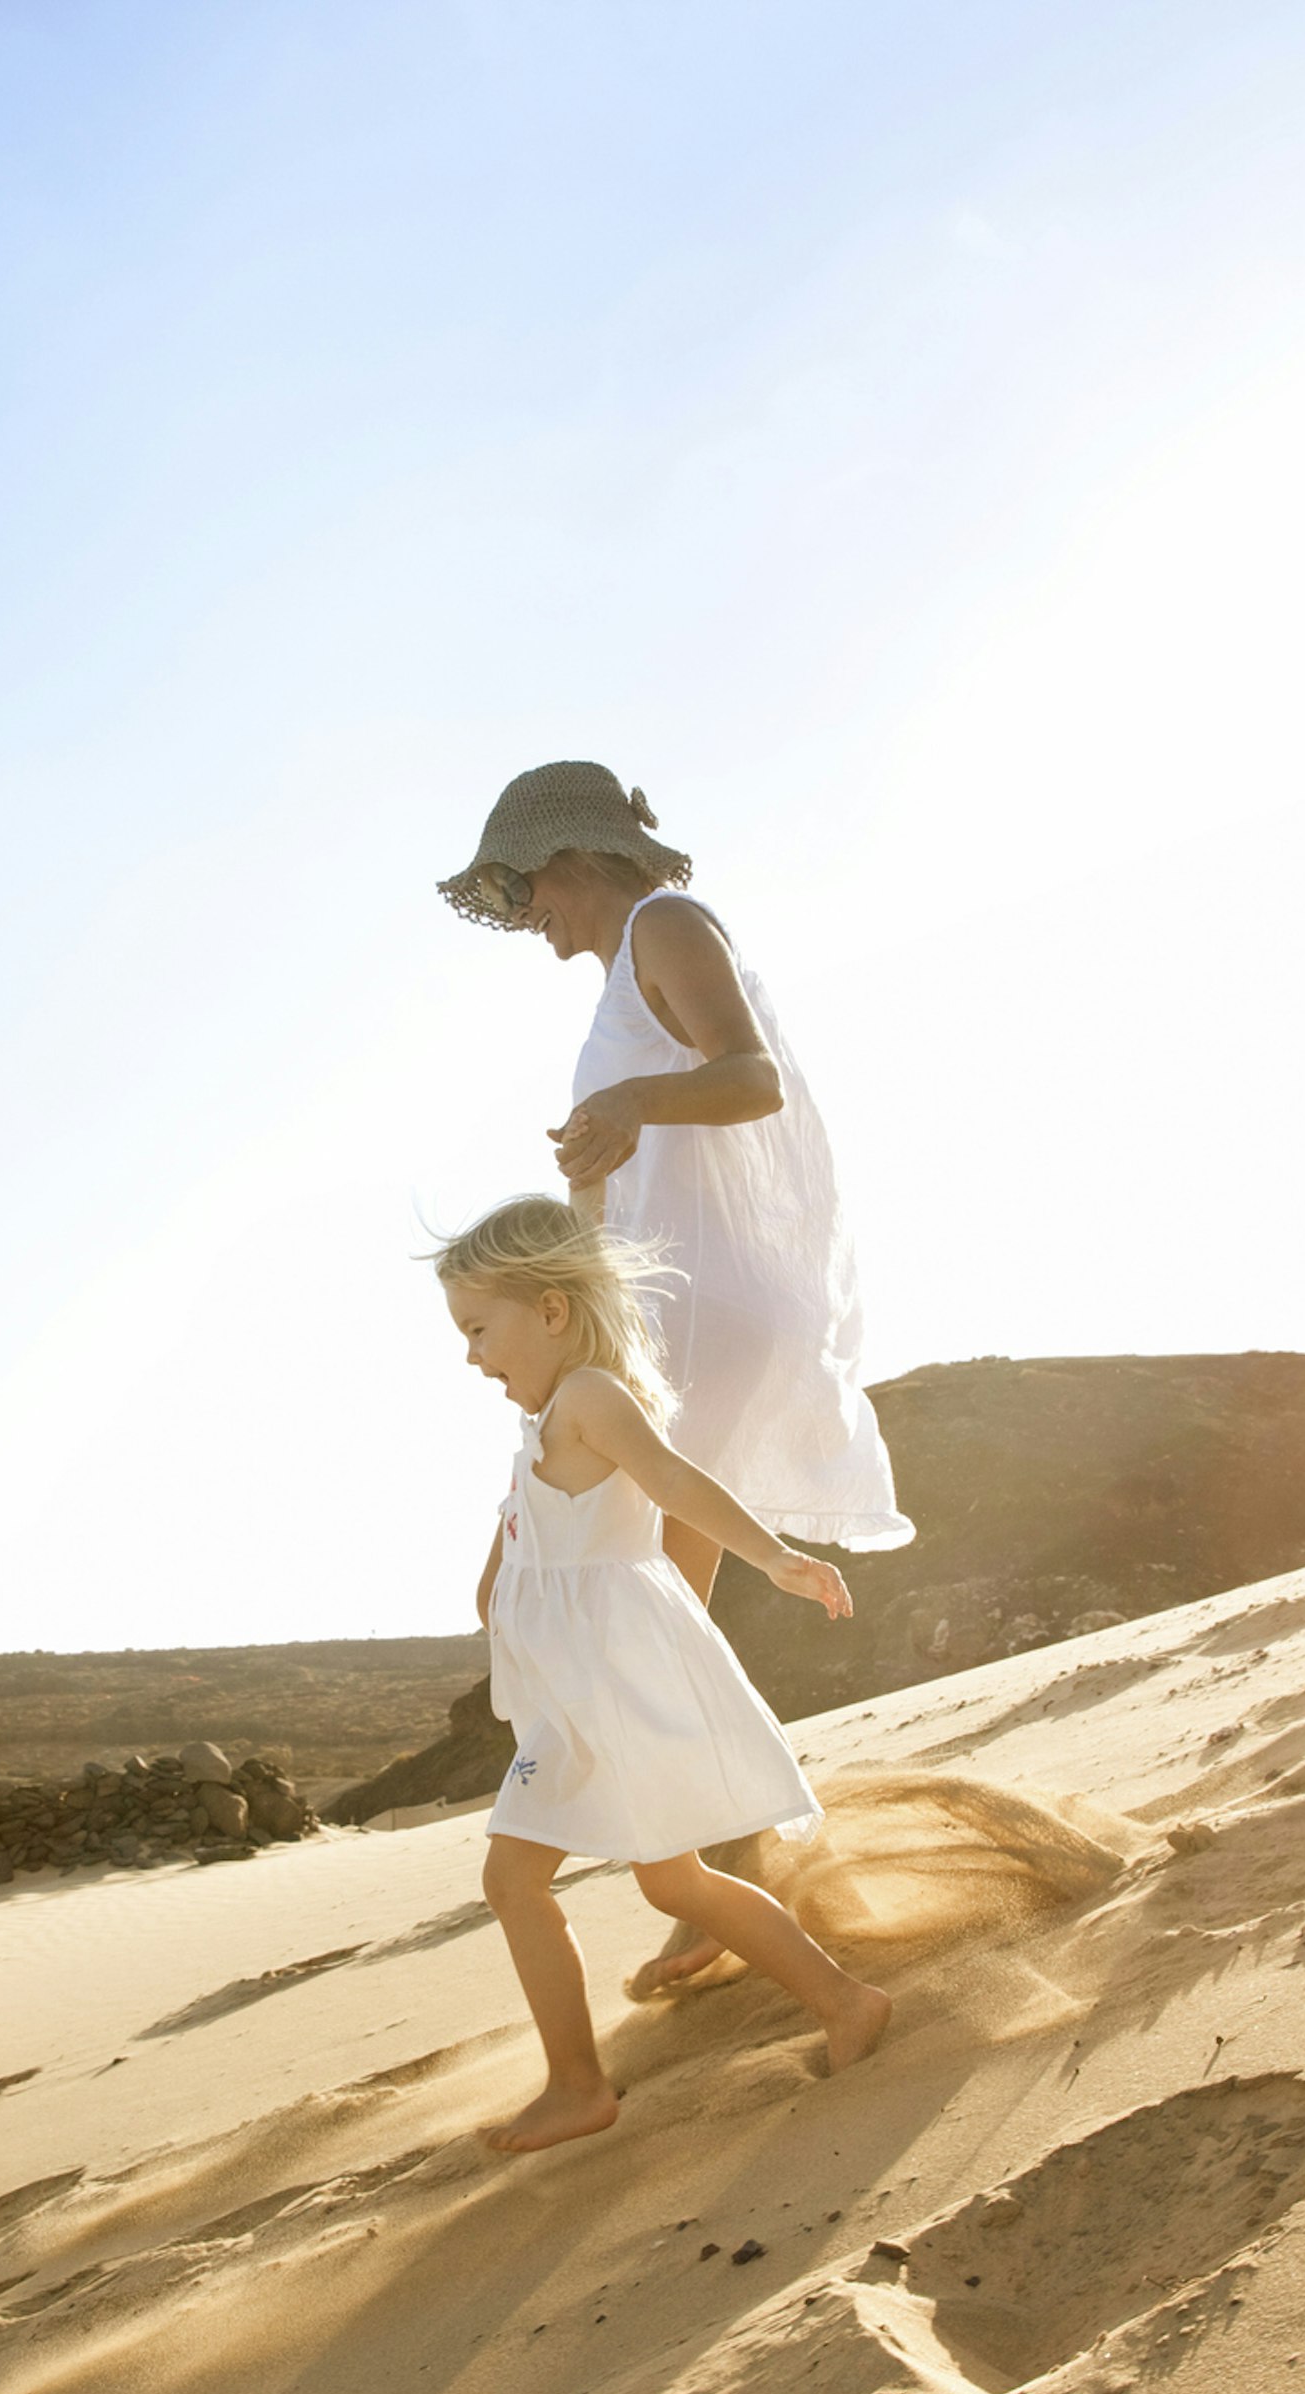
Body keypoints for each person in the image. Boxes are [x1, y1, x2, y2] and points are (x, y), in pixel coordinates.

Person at [440, 759, 911, 1995]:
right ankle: (726, 1879)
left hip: (706, 1312)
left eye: (522, 885)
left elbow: (750, 1077)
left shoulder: (667, 923)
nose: (521, 910)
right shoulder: (620, 971)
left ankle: (717, 1888)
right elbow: (637, 1162)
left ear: (573, 858)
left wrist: (636, 1101)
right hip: (671, 1310)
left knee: (654, 1611)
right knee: (664, 1612)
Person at [433, 1195, 893, 2155]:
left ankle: (576, 2084)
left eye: (480, 1329)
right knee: (672, 1885)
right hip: (577, 1701)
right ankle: (844, 2000)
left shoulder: (593, 1398)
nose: (472, 1355)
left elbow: (678, 1485)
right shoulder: (545, 1421)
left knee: (515, 1880)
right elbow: (529, 1544)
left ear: (552, 1312)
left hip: (611, 1693)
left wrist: (776, 1560)